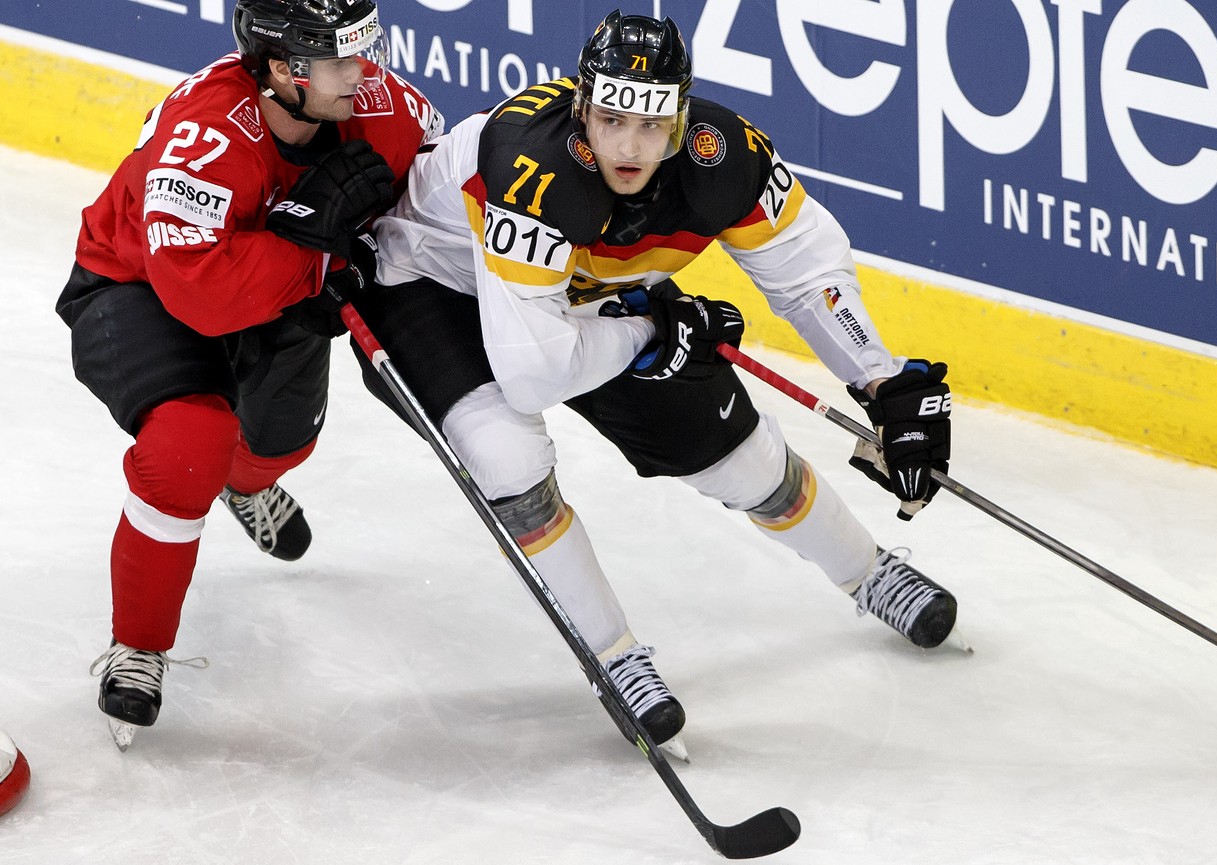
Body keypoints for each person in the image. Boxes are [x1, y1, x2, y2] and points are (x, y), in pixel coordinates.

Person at [353, 10, 958, 752]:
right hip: (430, 284)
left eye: (651, 123)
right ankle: (615, 656)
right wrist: (651, 330)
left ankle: (869, 574)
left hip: (576, 294)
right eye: (610, 119)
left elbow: (806, 269)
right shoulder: (530, 165)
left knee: (743, 456)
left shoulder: (723, 154)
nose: (630, 147)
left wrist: (880, 378)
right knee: (508, 457)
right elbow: (535, 371)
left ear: (680, 114)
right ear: (582, 107)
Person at [56, 0, 442, 750]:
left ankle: (250, 480)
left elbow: (450, 181)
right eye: (338, 59)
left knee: (279, 446)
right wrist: (321, 259)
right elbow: (197, 290)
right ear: (277, 71)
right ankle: (139, 645)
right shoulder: (207, 134)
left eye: (363, 49)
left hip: (270, 287)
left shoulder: (377, 107)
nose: (361, 72)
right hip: (137, 284)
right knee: (190, 439)